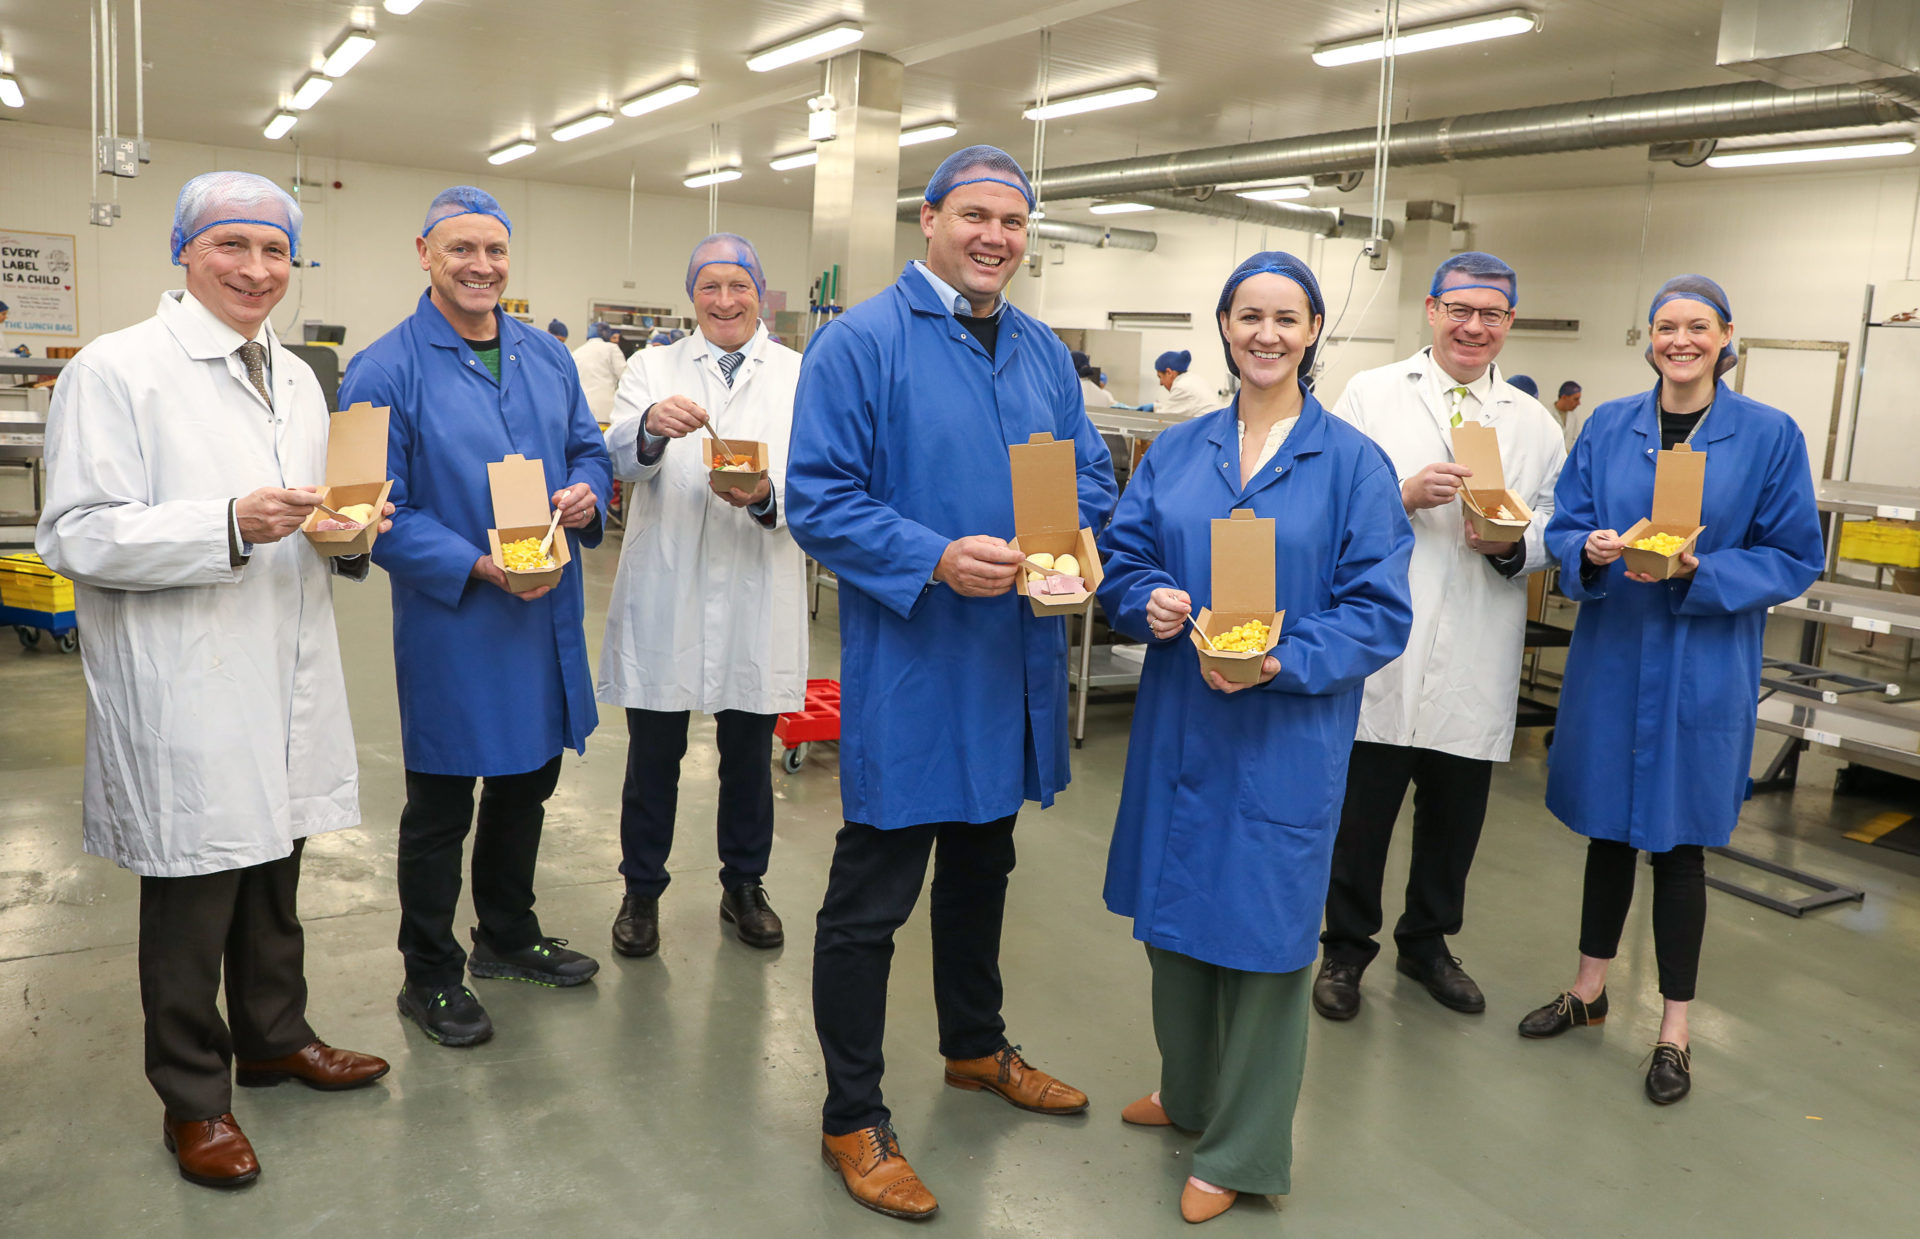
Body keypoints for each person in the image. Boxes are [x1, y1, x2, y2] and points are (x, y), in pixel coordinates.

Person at [35, 171, 393, 1190]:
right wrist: (227, 523)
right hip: (184, 676)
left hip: (282, 661)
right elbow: (80, 534)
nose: (256, 269)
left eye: (276, 251)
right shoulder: (119, 369)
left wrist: (349, 531)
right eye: (233, 246)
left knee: (275, 873)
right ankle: (194, 1096)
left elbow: (320, 509)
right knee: (194, 892)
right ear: (185, 252)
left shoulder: (298, 374)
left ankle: (276, 1036)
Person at [787, 144, 1117, 1222]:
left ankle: (974, 1047)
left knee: (986, 865)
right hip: (919, 659)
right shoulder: (861, 344)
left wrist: (1081, 544)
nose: (995, 238)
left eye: (1013, 223)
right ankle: (851, 1115)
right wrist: (930, 555)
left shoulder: (1038, 352)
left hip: (1012, 656)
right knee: (873, 895)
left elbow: (1090, 474)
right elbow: (819, 499)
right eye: (974, 215)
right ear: (927, 221)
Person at [1098, 252, 1413, 1224]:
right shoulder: (1183, 451)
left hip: (1285, 733)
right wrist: (1141, 599)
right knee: (1174, 923)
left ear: (1313, 330)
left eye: (1286, 317)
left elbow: (1378, 612)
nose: (1266, 334)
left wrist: (1285, 656)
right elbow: (1124, 556)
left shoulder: (1353, 465)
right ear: (1226, 328)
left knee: (1269, 947)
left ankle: (1241, 1147)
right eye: (1249, 316)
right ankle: (1188, 1094)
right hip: (1183, 726)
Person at [1520, 275, 1821, 1104]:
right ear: (1648, 337)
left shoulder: (1769, 435)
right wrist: (1594, 548)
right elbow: (1566, 524)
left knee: (1681, 844)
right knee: (1607, 832)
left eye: (1697, 327)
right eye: (1664, 326)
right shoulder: (1610, 426)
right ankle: (1587, 991)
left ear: (1727, 336)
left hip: (1702, 661)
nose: (1679, 340)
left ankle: (1675, 1029)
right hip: (1616, 653)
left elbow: (1794, 554)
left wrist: (1705, 568)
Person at [339, 186, 612, 1048]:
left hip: (546, 610)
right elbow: (370, 510)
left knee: (530, 782)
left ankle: (505, 932)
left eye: (494, 251)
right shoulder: (383, 369)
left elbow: (588, 449)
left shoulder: (546, 356)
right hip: (457, 619)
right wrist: (474, 563)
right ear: (424, 252)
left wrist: (586, 492)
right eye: (461, 250)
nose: (481, 266)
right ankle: (428, 973)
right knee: (442, 803)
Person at [1314, 252, 1566, 1023]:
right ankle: (1345, 950)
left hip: (1478, 647)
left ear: (1509, 323)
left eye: (1492, 313)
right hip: (1386, 644)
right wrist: (1401, 494)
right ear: (1431, 310)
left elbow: (1555, 520)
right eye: (1460, 309)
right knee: (1362, 816)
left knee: (1454, 820)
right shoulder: (1372, 394)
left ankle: (1427, 943)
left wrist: (1515, 545)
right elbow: (1326, 500)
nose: (1474, 325)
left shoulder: (1534, 424)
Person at [597, 233, 804, 959]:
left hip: (755, 577)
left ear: (760, 293)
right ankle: (641, 892)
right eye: (710, 287)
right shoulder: (652, 366)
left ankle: (744, 884)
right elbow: (618, 458)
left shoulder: (797, 374)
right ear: (693, 296)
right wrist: (650, 430)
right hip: (669, 581)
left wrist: (768, 494)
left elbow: (819, 477)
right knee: (654, 753)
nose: (724, 300)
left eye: (738, 286)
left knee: (748, 753)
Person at [572, 321, 626, 424]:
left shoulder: (576, 352)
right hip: (606, 408)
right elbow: (625, 376)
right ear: (606, 334)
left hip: (582, 408)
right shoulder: (611, 348)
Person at [1151, 349, 1215, 418]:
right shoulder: (1193, 379)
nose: (1161, 383)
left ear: (1169, 373)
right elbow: (1181, 406)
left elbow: (1164, 417)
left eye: (1160, 377)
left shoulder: (1182, 387)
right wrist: (1155, 407)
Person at [1554, 380, 1584, 449]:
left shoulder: (1573, 416)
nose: (1579, 403)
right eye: (1576, 399)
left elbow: (1576, 439)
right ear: (1564, 397)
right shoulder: (1548, 414)